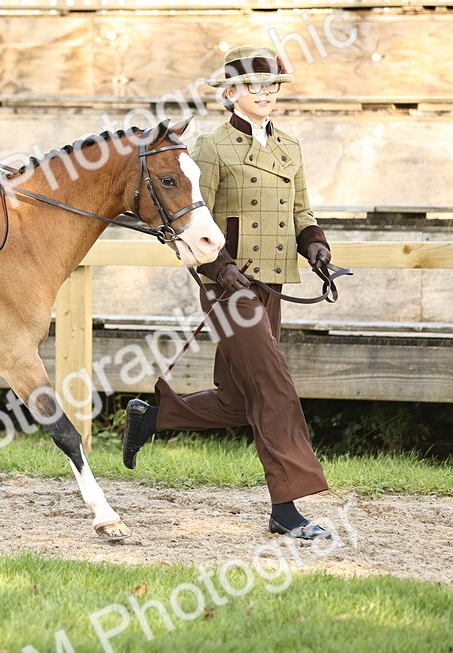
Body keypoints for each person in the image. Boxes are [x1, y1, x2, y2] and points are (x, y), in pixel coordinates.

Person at [122, 46, 334, 540]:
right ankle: (287, 509)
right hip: (228, 287)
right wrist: (220, 266)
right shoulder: (213, 149)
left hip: (273, 282)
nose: (265, 94)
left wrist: (316, 247)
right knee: (274, 385)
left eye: (271, 86)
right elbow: (195, 220)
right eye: (254, 86)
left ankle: (154, 418)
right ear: (231, 93)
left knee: (240, 401)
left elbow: (301, 212)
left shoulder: (291, 148)